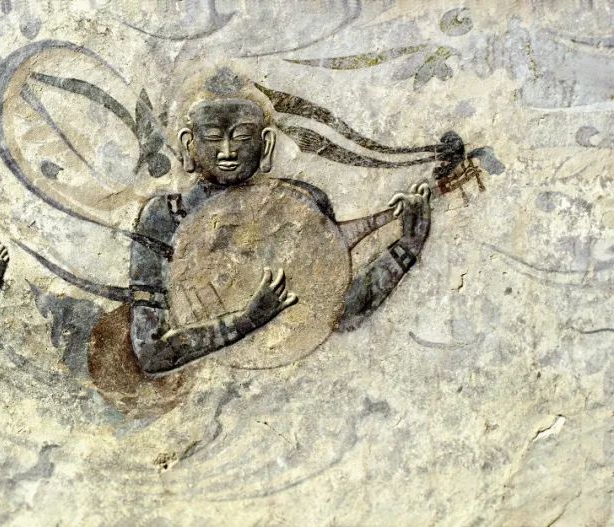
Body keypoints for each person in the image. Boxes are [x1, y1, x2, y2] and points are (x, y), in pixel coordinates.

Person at [129, 82, 432, 377]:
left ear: (266, 143)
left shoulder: (302, 204)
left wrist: (406, 248)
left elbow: (337, 313)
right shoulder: (163, 217)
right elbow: (151, 353)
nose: (227, 151)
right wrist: (246, 321)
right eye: (212, 137)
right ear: (188, 144)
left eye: (242, 136)